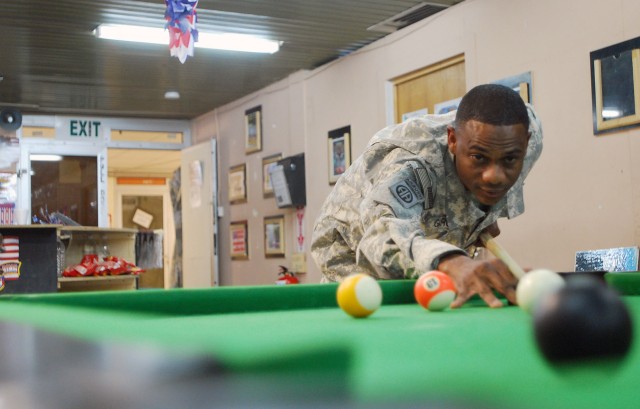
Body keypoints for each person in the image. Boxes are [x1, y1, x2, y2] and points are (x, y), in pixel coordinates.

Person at [311, 84, 543, 308]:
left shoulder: (524, 135)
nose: (494, 177)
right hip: (352, 255)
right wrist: (451, 261)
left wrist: (481, 216)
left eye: (510, 159)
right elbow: (380, 236)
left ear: (527, 142)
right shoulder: (412, 164)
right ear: (452, 140)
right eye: (479, 158)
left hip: (425, 241)